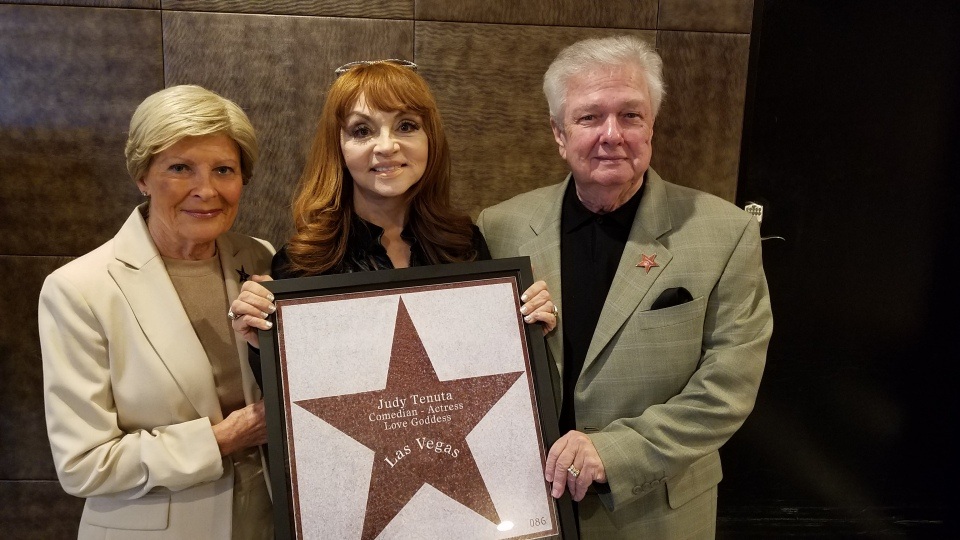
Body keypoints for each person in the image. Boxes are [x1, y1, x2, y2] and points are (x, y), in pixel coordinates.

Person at [477, 36, 773, 538]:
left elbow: (728, 388)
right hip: (523, 507)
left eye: (630, 115)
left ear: (651, 126)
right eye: (589, 117)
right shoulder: (498, 226)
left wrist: (614, 452)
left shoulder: (726, 232)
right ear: (558, 132)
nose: (611, 134)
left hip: (654, 513)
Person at [38, 85, 274, 539]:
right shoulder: (79, 289)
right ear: (142, 176)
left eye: (223, 169)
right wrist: (226, 436)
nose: (205, 190)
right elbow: (83, 466)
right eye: (180, 168)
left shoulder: (263, 259)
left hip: (270, 521)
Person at [229, 60, 556, 357]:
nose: (386, 146)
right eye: (362, 130)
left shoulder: (463, 245)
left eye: (406, 126)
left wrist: (527, 326)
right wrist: (263, 343)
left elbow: (488, 364)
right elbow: (295, 402)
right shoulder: (303, 263)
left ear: (431, 140)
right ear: (338, 148)